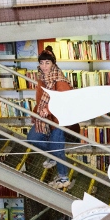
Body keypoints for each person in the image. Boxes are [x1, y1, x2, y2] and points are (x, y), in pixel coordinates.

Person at [28, 48, 73, 190]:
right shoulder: (42, 79)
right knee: (33, 138)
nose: (44, 66)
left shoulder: (60, 81)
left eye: (47, 63)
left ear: (53, 64)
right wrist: (36, 113)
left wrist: (47, 110)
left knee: (57, 147)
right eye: (41, 63)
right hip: (44, 119)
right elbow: (39, 100)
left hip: (59, 120)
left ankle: (63, 177)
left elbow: (66, 101)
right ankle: (53, 156)